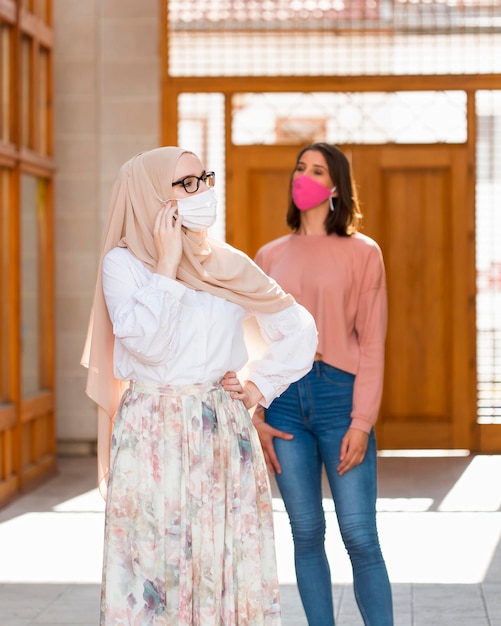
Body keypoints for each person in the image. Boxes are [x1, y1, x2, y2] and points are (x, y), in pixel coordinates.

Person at [81, 146, 318, 625]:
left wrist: (257, 387)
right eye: (186, 183)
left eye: (204, 178)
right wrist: (167, 265)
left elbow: (299, 329)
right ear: (150, 195)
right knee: (152, 567)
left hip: (219, 429)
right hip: (151, 430)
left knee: (224, 561)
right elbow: (147, 345)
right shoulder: (122, 266)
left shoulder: (224, 263)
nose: (203, 191)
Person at [253, 142, 393, 626]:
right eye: (299, 167)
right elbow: (252, 345)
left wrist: (362, 420)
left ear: (335, 187)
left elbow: (372, 342)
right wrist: (257, 418)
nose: (304, 176)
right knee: (306, 533)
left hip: (340, 399)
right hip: (284, 403)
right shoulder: (268, 255)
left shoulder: (363, 252)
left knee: (359, 534)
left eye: (316, 170)